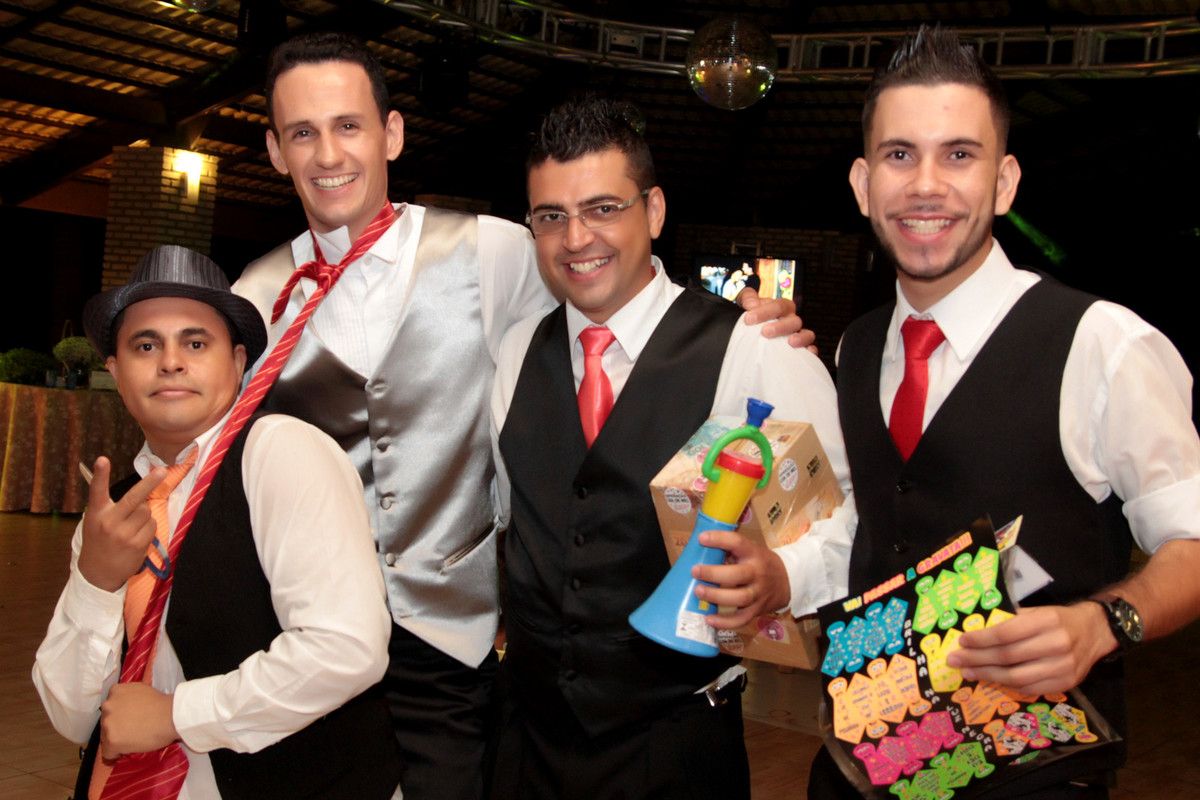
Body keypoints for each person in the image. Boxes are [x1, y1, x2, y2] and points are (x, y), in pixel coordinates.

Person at [231, 31, 810, 800]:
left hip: (457, 661)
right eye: (303, 133)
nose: (329, 153)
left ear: (391, 133)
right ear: (275, 151)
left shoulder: (493, 251)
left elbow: (611, 293)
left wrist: (744, 328)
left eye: (348, 125)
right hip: (318, 648)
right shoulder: (252, 299)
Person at [811, 25, 1200, 798]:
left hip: (1031, 780)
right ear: (862, 184)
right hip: (863, 771)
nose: (926, 185)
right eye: (899, 155)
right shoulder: (854, 349)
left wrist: (1104, 622)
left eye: (959, 154)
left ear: (1005, 181)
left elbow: (1192, 541)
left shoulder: (1102, 344)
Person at [488, 95, 855, 800]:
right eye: (551, 217)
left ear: (653, 211)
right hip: (525, 743)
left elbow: (849, 520)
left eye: (603, 208)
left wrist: (784, 575)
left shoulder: (757, 350)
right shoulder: (513, 352)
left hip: (673, 748)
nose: (576, 238)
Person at [33, 245, 402, 800]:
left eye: (195, 343)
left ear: (238, 362)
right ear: (115, 372)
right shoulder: (118, 509)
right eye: (145, 345)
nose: (170, 362)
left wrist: (178, 715)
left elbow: (347, 648)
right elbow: (73, 717)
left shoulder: (280, 452)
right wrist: (96, 581)